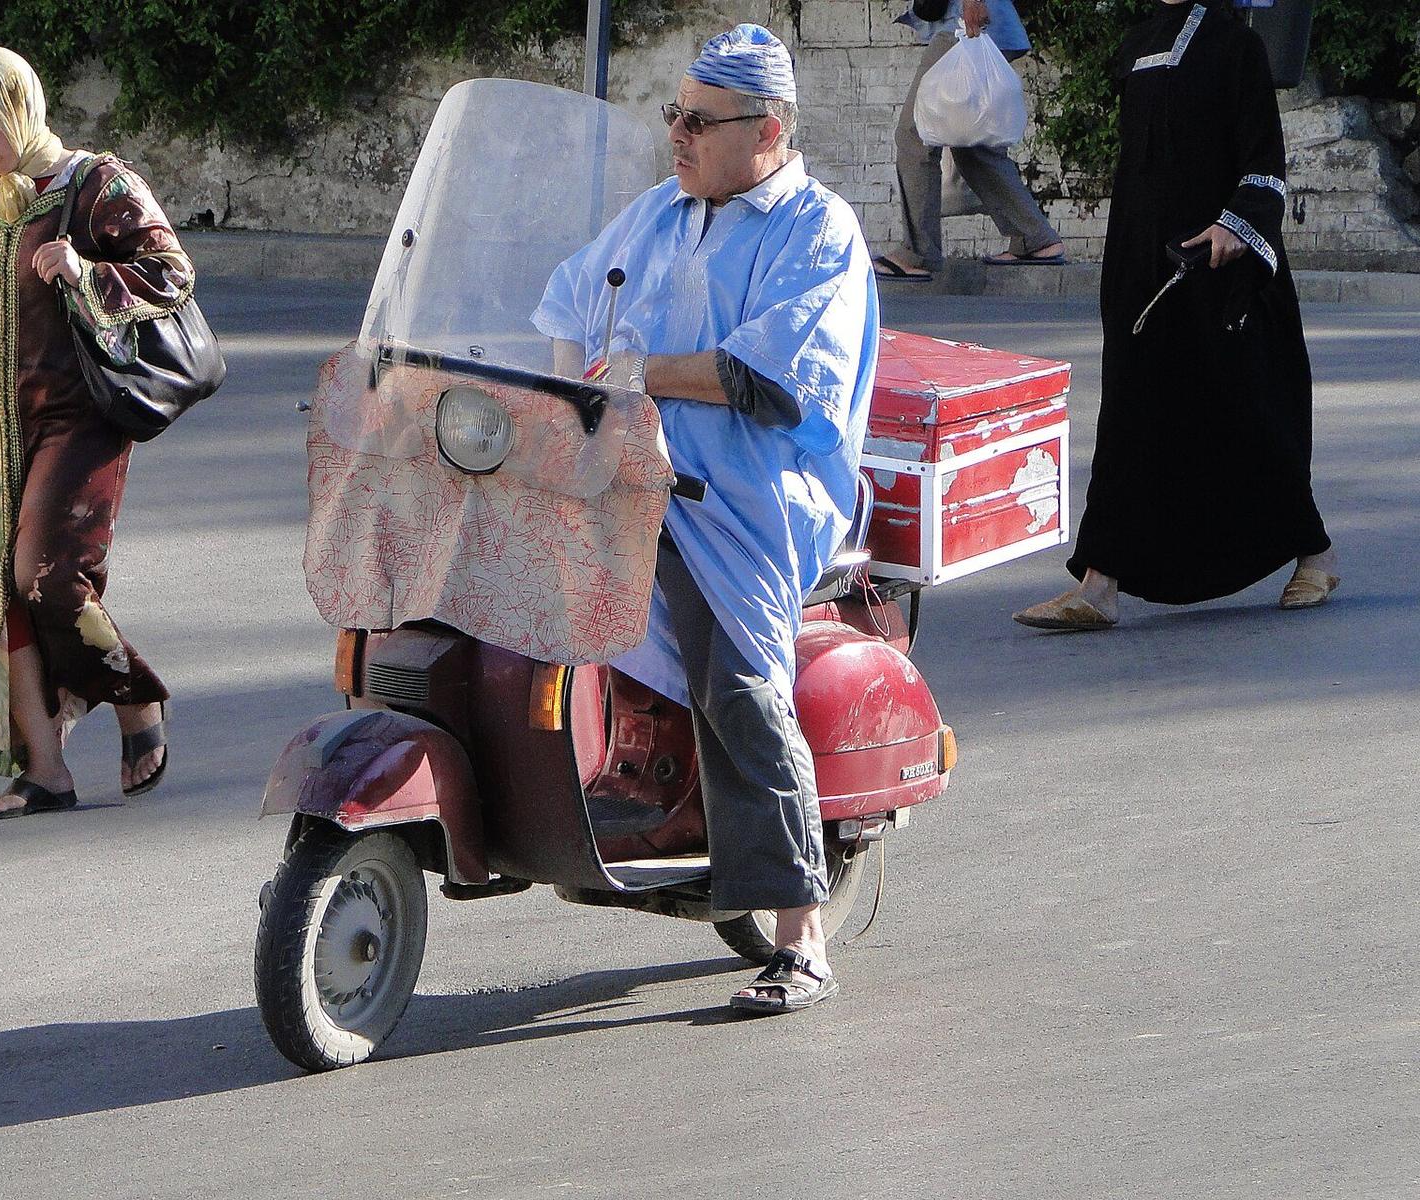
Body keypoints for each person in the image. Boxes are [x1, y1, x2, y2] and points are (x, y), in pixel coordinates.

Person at [532, 25, 878, 1013]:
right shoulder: (660, 211)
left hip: (747, 498)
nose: (676, 134)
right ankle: (625, 784)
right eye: (673, 115)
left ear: (767, 129)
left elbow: (767, 379)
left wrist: (635, 375)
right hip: (632, 479)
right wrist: (562, 409)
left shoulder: (817, 229)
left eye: (698, 121)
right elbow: (568, 309)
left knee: (736, 682)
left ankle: (803, 935)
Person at [1014, 0, 1338, 632]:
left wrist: (1236, 226)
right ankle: (1100, 585)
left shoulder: (1237, 46)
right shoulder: (1137, 44)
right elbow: (1140, 167)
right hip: (1141, 259)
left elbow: (1264, 161)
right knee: (1131, 413)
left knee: (1244, 413)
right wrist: (1125, 261)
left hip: (1217, 265)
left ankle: (1315, 553)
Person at [0, 47, 183, 816]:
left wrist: (85, 272)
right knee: (1, 598)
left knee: (46, 576)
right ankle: (45, 771)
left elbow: (172, 273)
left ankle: (135, 695)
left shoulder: (96, 183)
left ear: (20, 106)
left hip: (81, 417)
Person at [875, 0, 1066, 282]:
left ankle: (918, 254)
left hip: (964, 23)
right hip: (980, 23)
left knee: (915, 136)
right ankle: (1035, 238)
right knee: (973, 145)